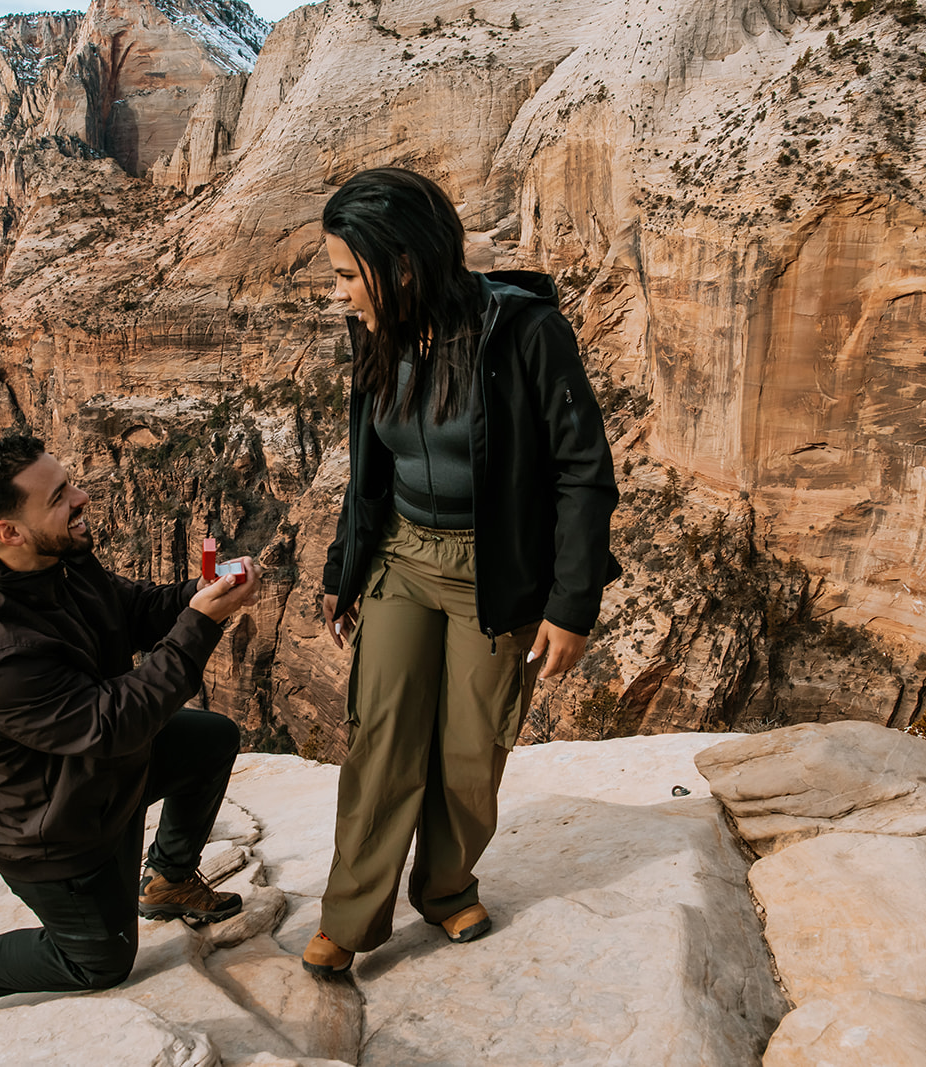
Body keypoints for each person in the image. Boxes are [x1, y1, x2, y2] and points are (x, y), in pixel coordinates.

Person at [303, 168, 620, 976]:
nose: (339, 293)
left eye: (348, 274)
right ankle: (350, 916)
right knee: (382, 737)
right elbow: (367, 463)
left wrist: (572, 603)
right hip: (403, 555)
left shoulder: (524, 333)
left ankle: (445, 890)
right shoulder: (376, 329)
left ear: (404, 265)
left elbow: (584, 471)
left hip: (495, 571)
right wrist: (344, 566)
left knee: (473, 748)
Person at [0, 434, 261, 1014]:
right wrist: (199, 625)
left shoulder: (60, 560)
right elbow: (114, 725)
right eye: (59, 496)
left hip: (104, 776)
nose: (82, 497)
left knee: (212, 739)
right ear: (9, 531)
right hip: (60, 828)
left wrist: (200, 594)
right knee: (98, 964)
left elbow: (132, 611)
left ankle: (168, 880)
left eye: (70, 483)